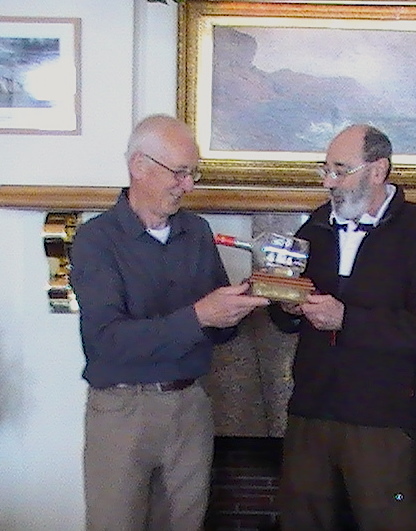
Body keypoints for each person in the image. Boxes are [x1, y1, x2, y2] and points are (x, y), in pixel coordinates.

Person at [70, 114, 270, 531]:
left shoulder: (197, 231)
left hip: (190, 406)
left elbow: (219, 332)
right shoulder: (96, 239)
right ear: (139, 166)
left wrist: (240, 304)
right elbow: (107, 340)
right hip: (123, 411)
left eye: (193, 173)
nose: (189, 186)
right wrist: (200, 315)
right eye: (180, 172)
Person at [269, 124, 416, 531]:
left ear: (378, 170)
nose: (329, 182)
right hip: (310, 413)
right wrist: (287, 307)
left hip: (382, 420)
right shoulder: (314, 225)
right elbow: (283, 320)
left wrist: (347, 319)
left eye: (340, 170)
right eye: (326, 170)